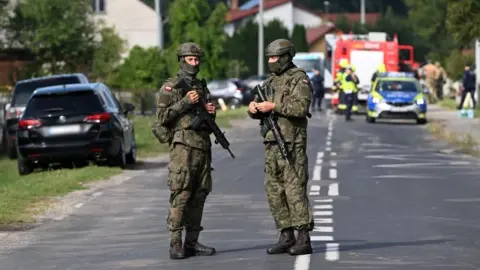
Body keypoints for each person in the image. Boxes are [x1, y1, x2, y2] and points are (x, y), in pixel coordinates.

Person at [247, 38, 314, 256]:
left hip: (291, 142)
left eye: (275, 57)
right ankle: (286, 234)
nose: (271, 61)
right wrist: (254, 108)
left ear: (286, 57)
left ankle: (303, 236)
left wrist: (275, 106)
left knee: (294, 189)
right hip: (271, 142)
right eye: (269, 58)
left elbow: (301, 108)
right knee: (274, 190)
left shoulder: (299, 79)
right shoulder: (269, 82)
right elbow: (257, 106)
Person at [153, 42, 216, 260]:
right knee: (182, 194)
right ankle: (175, 243)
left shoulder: (201, 85)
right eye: (190, 59)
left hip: (202, 146)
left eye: (197, 59)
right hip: (183, 148)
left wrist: (210, 111)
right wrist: (185, 102)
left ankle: (192, 242)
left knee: (199, 195)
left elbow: (205, 118)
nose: (194, 63)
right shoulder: (171, 86)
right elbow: (162, 117)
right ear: (182, 60)